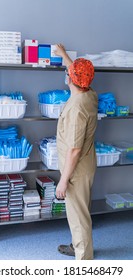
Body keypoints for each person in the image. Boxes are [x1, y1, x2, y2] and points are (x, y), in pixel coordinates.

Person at [54, 44, 98, 260]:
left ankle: (84, 260)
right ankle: (76, 244)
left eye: (69, 73)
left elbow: (74, 150)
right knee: (81, 210)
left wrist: (63, 181)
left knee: (78, 216)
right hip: (87, 164)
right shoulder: (89, 94)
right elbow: (80, 74)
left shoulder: (76, 108)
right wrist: (64, 55)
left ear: (70, 78)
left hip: (76, 169)